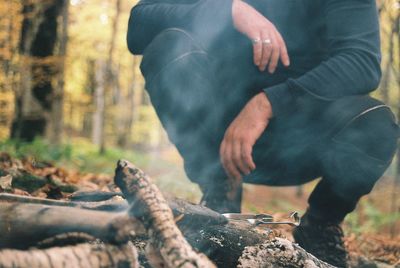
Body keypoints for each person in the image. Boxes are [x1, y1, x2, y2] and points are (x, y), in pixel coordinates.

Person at [126, 0, 399, 266]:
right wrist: (228, 9)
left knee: (376, 123)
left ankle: (321, 225)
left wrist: (268, 103)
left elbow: (362, 62)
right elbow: (139, 25)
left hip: (305, 140)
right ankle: (219, 191)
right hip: (219, 141)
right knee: (170, 46)